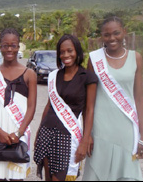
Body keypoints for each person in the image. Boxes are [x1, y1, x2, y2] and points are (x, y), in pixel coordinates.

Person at [82, 16, 143, 181]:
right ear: (101, 37)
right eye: (107, 34)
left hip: (126, 130)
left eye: (116, 33)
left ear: (124, 32)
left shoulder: (136, 58)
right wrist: (87, 134)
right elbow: (88, 101)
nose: (112, 38)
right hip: (99, 129)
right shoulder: (94, 59)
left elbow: (139, 99)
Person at [33, 34, 98, 181]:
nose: (66, 55)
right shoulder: (55, 75)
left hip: (67, 136)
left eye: (70, 50)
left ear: (77, 52)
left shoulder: (88, 77)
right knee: (49, 178)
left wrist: (85, 140)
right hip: (47, 131)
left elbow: (89, 110)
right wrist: (38, 132)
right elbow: (49, 105)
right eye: (62, 52)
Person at [0, 28, 37, 181]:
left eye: (13, 45)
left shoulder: (29, 74)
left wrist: (19, 133)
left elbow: (32, 107)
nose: (9, 49)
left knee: (16, 176)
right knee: (0, 177)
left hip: (18, 131)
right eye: (5, 45)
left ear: (18, 47)